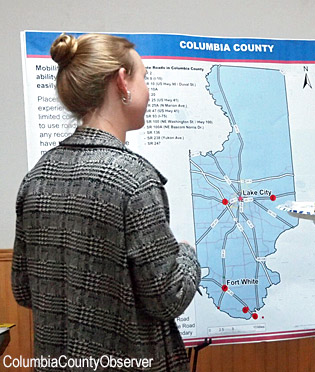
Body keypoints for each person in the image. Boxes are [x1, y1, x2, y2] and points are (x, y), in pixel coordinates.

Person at [11, 33, 200, 371]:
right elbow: (167, 295)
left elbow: (23, 290)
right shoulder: (134, 179)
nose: (148, 89)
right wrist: (187, 254)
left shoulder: (37, 177)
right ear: (122, 81)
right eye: (145, 77)